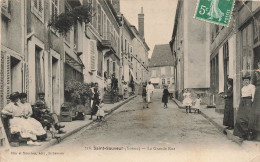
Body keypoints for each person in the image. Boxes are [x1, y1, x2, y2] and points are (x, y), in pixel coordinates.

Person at [233, 74, 255, 140]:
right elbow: (242, 96)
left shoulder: (252, 87)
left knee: (247, 118)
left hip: (248, 103)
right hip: (242, 103)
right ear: (243, 81)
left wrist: (252, 104)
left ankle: (248, 134)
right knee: (239, 118)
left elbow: (253, 96)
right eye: (245, 80)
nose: (246, 82)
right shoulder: (243, 88)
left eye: (247, 80)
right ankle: (241, 134)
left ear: (249, 81)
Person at [249, 61, 260, 140]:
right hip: (258, 92)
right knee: (257, 112)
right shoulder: (256, 73)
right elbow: (252, 84)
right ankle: (256, 134)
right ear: (258, 64)